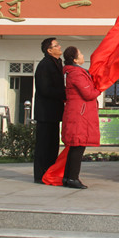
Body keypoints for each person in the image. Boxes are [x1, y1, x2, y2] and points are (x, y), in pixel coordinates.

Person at [59, 46, 101, 189]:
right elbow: (88, 93)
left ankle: (67, 177)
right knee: (78, 146)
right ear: (75, 59)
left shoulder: (74, 72)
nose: (84, 55)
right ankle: (72, 178)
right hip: (79, 114)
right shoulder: (76, 73)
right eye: (81, 54)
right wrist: (99, 89)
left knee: (75, 146)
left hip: (78, 112)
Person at [33, 37, 66, 184]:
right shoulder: (45, 65)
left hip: (53, 112)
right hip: (45, 113)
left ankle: (49, 173)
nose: (60, 47)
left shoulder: (57, 63)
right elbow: (45, 89)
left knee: (52, 145)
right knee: (44, 146)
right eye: (56, 45)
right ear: (49, 50)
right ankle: (40, 175)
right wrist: (65, 93)